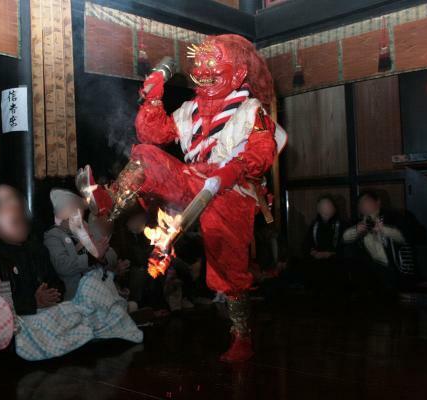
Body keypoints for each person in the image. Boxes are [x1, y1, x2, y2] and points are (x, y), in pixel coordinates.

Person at [76, 34, 286, 362]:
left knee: (228, 267)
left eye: (213, 64)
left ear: (237, 73)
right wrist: (154, 96)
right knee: (145, 155)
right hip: (192, 182)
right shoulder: (190, 109)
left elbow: (263, 150)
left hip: (232, 191)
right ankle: (108, 203)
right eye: (199, 63)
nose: (202, 70)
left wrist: (230, 171)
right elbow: (153, 134)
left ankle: (241, 335)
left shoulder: (250, 110)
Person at [0, 203, 63, 316]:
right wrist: (33, 302)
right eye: (14, 222)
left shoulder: (36, 248)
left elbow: (56, 282)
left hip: (49, 310)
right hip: (16, 320)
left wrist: (52, 294)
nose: (22, 226)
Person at [44, 189, 116, 301]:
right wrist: (92, 257)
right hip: (77, 296)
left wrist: (102, 257)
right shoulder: (53, 236)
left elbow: (112, 255)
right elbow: (63, 266)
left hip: (101, 289)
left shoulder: (86, 226)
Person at [343, 191, 409, 297]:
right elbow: (345, 238)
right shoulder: (357, 222)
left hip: (393, 271)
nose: (364, 206)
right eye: (361, 204)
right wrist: (356, 230)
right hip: (369, 275)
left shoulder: (393, 217)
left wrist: (383, 229)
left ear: (377, 202)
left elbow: (403, 237)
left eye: (367, 202)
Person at [303, 195, 345, 298]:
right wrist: (313, 252)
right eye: (322, 206)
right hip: (316, 265)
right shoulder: (314, 225)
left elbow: (345, 246)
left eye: (328, 206)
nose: (325, 209)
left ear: (334, 208)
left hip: (336, 265)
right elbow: (307, 244)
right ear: (318, 209)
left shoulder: (342, 224)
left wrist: (330, 253)